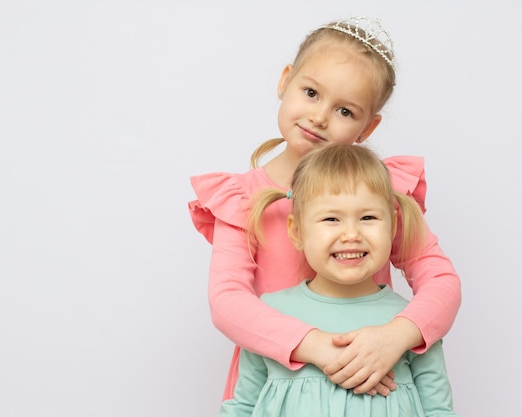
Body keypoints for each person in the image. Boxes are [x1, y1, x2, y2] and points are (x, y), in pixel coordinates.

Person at [188, 16, 461, 400]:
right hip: (277, 390)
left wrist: (394, 337)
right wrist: (317, 347)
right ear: (286, 81)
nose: (319, 117)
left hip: (372, 389)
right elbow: (228, 302)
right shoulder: (242, 200)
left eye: (345, 111)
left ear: (369, 127)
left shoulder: (380, 193)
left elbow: (441, 281)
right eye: (311, 93)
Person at [218, 143, 460, 417]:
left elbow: (439, 410)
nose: (351, 234)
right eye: (332, 219)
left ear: (392, 226)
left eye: (367, 217)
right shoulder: (270, 315)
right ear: (296, 231)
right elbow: (242, 406)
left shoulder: (411, 323)